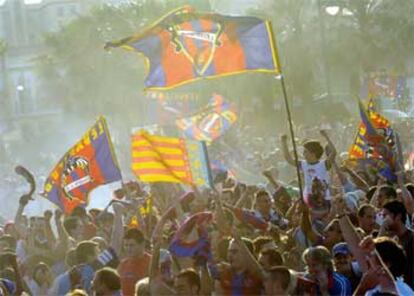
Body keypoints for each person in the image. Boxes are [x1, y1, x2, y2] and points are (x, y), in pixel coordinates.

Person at [382, 200, 414, 289]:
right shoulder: (393, 240)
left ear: (398, 216)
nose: (383, 220)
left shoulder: (411, 239)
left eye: (385, 216)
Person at [117, 228, 151, 296]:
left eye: (132, 245)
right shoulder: (122, 264)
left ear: (142, 244)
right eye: (126, 245)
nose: (128, 249)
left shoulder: (152, 263)